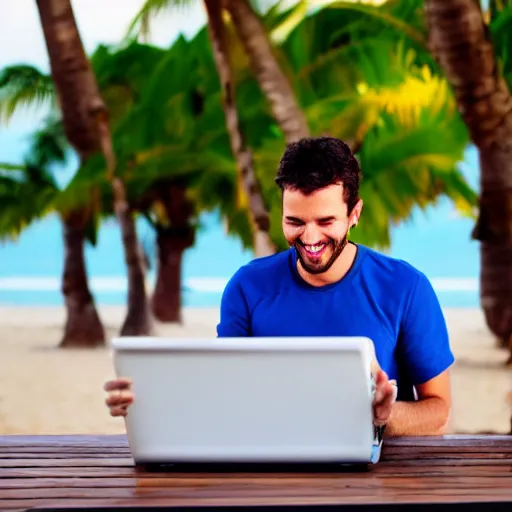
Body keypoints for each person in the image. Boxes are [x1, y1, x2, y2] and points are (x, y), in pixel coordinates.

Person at [105, 137, 453, 437]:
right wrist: (145, 402)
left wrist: (384, 416)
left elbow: (438, 412)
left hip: (373, 476)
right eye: (295, 222)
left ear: (354, 214)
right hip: (271, 470)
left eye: (326, 221)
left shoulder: (406, 287)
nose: (311, 238)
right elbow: (224, 397)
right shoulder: (248, 286)